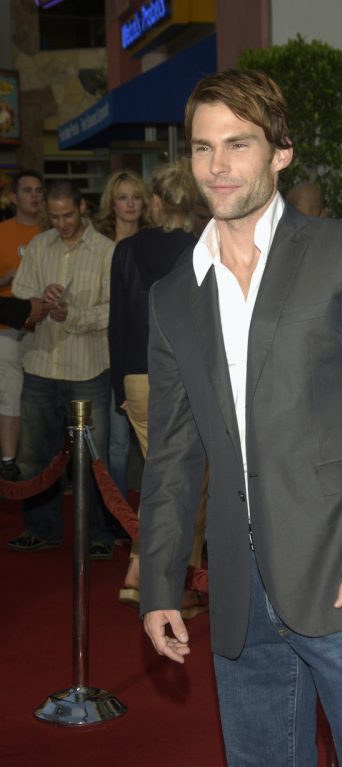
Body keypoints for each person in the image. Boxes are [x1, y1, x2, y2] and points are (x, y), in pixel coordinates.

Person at [140, 69, 342, 766]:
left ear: (281, 153)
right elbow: (174, 454)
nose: (218, 165)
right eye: (203, 147)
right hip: (239, 595)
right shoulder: (174, 294)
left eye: (238, 144)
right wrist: (158, 583)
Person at [109, 159, 202, 611]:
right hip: (185, 378)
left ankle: (137, 567)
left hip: (138, 379)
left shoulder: (126, 250)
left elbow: (118, 323)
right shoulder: (202, 250)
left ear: (156, 202)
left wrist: (120, 389)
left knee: (161, 475)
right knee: (188, 482)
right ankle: (179, 584)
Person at [8, 179, 116, 558]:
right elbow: (19, 296)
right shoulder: (39, 246)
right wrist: (40, 300)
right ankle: (42, 528)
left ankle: (99, 534)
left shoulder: (106, 250)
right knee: (35, 455)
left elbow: (113, 309)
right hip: (40, 364)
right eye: (53, 217)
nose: (61, 223)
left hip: (88, 370)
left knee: (94, 459)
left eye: (67, 215)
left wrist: (73, 314)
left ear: (82, 207)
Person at [95, 170, 150, 513]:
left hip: (136, 358)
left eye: (136, 197)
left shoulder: (151, 243)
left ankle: (142, 518)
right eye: (123, 197)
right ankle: (117, 516)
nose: (130, 204)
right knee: (112, 444)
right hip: (95, 356)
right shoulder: (98, 246)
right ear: (111, 203)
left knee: (136, 443)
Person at [0, 170, 44, 481]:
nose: (35, 196)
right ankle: (8, 460)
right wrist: (5, 278)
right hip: (7, 326)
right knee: (11, 388)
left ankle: (47, 457)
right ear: (14, 197)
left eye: (39, 190)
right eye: (27, 190)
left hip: (45, 326)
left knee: (43, 395)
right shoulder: (2, 232)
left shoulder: (51, 232)